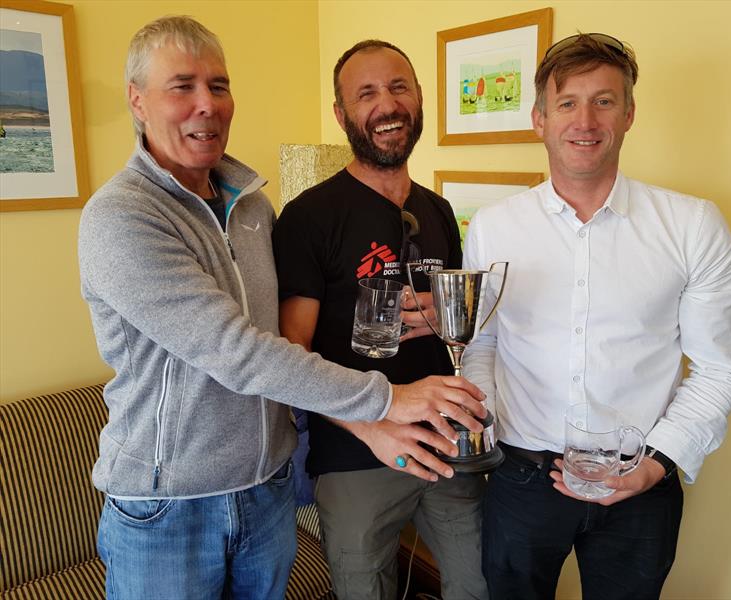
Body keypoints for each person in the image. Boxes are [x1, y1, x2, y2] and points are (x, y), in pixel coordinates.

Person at [77, 18, 487, 600]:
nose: (205, 105)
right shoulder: (122, 217)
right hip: (172, 505)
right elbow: (239, 352)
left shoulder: (251, 208)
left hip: (267, 488)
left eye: (218, 86)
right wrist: (387, 402)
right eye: (182, 86)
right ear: (137, 100)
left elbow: (271, 337)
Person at [462, 33, 731, 600]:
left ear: (630, 113)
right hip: (522, 477)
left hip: (642, 479)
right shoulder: (493, 227)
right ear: (539, 118)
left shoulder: (693, 226)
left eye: (605, 100)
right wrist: (482, 425)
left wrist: (657, 464)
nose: (585, 120)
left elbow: (720, 369)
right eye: (567, 103)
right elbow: (482, 344)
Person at [273, 40, 489, 600]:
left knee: (479, 584)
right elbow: (290, 352)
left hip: (445, 444)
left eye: (398, 88)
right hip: (354, 454)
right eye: (366, 93)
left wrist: (446, 316)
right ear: (342, 115)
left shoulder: (438, 210)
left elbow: (456, 330)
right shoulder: (308, 217)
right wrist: (370, 425)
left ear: (418, 99)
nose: (386, 105)